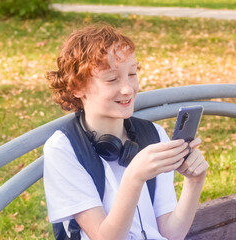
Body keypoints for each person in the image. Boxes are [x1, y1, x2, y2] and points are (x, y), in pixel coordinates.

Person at [44, 23, 208, 240]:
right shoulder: (64, 149)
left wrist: (194, 182)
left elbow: (170, 232)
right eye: (112, 79)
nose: (127, 88)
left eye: (132, 73)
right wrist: (134, 176)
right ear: (76, 87)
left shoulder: (153, 134)